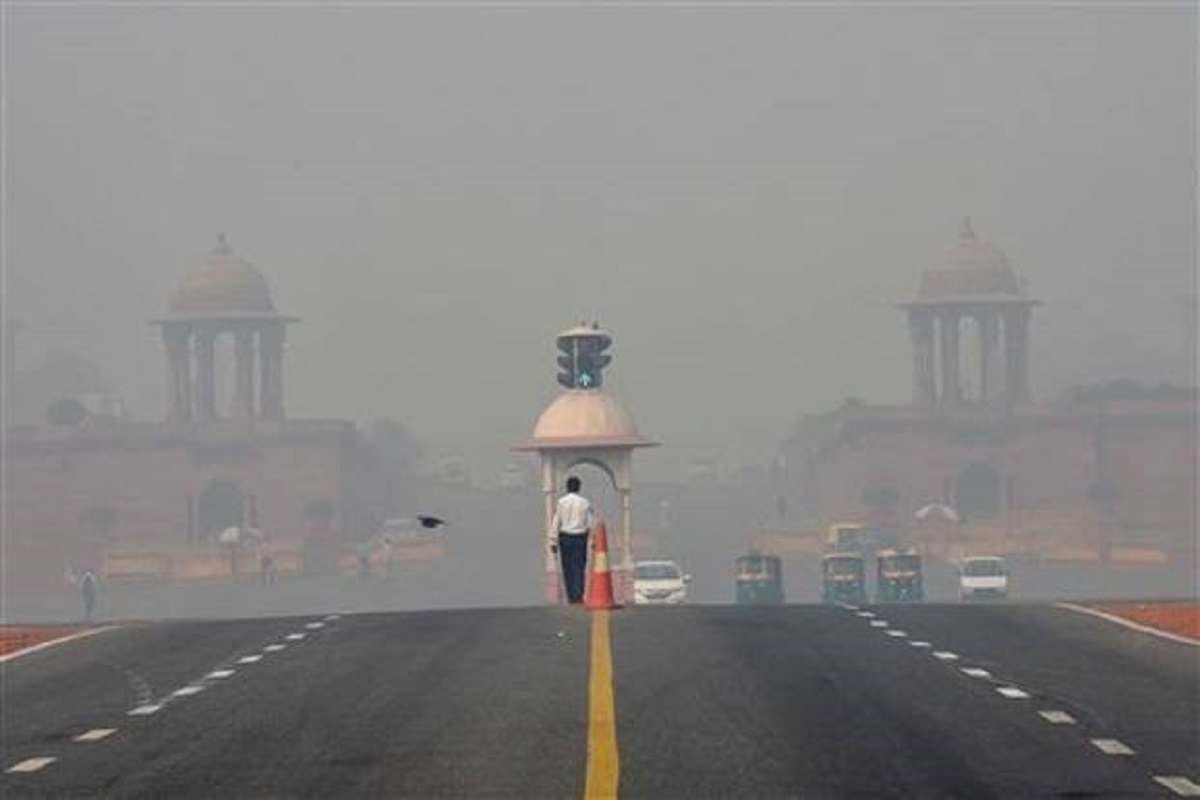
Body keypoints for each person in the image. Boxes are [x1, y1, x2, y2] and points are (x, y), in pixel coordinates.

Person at [549, 476, 596, 604]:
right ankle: (579, 593)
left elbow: (556, 522)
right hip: (580, 537)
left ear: (567, 487)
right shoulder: (585, 503)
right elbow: (591, 523)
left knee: (567, 567)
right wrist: (593, 540)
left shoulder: (561, 502)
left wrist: (553, 541)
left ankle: (571, 595)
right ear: (579, 487)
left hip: (565, 537)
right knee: (579, 567)